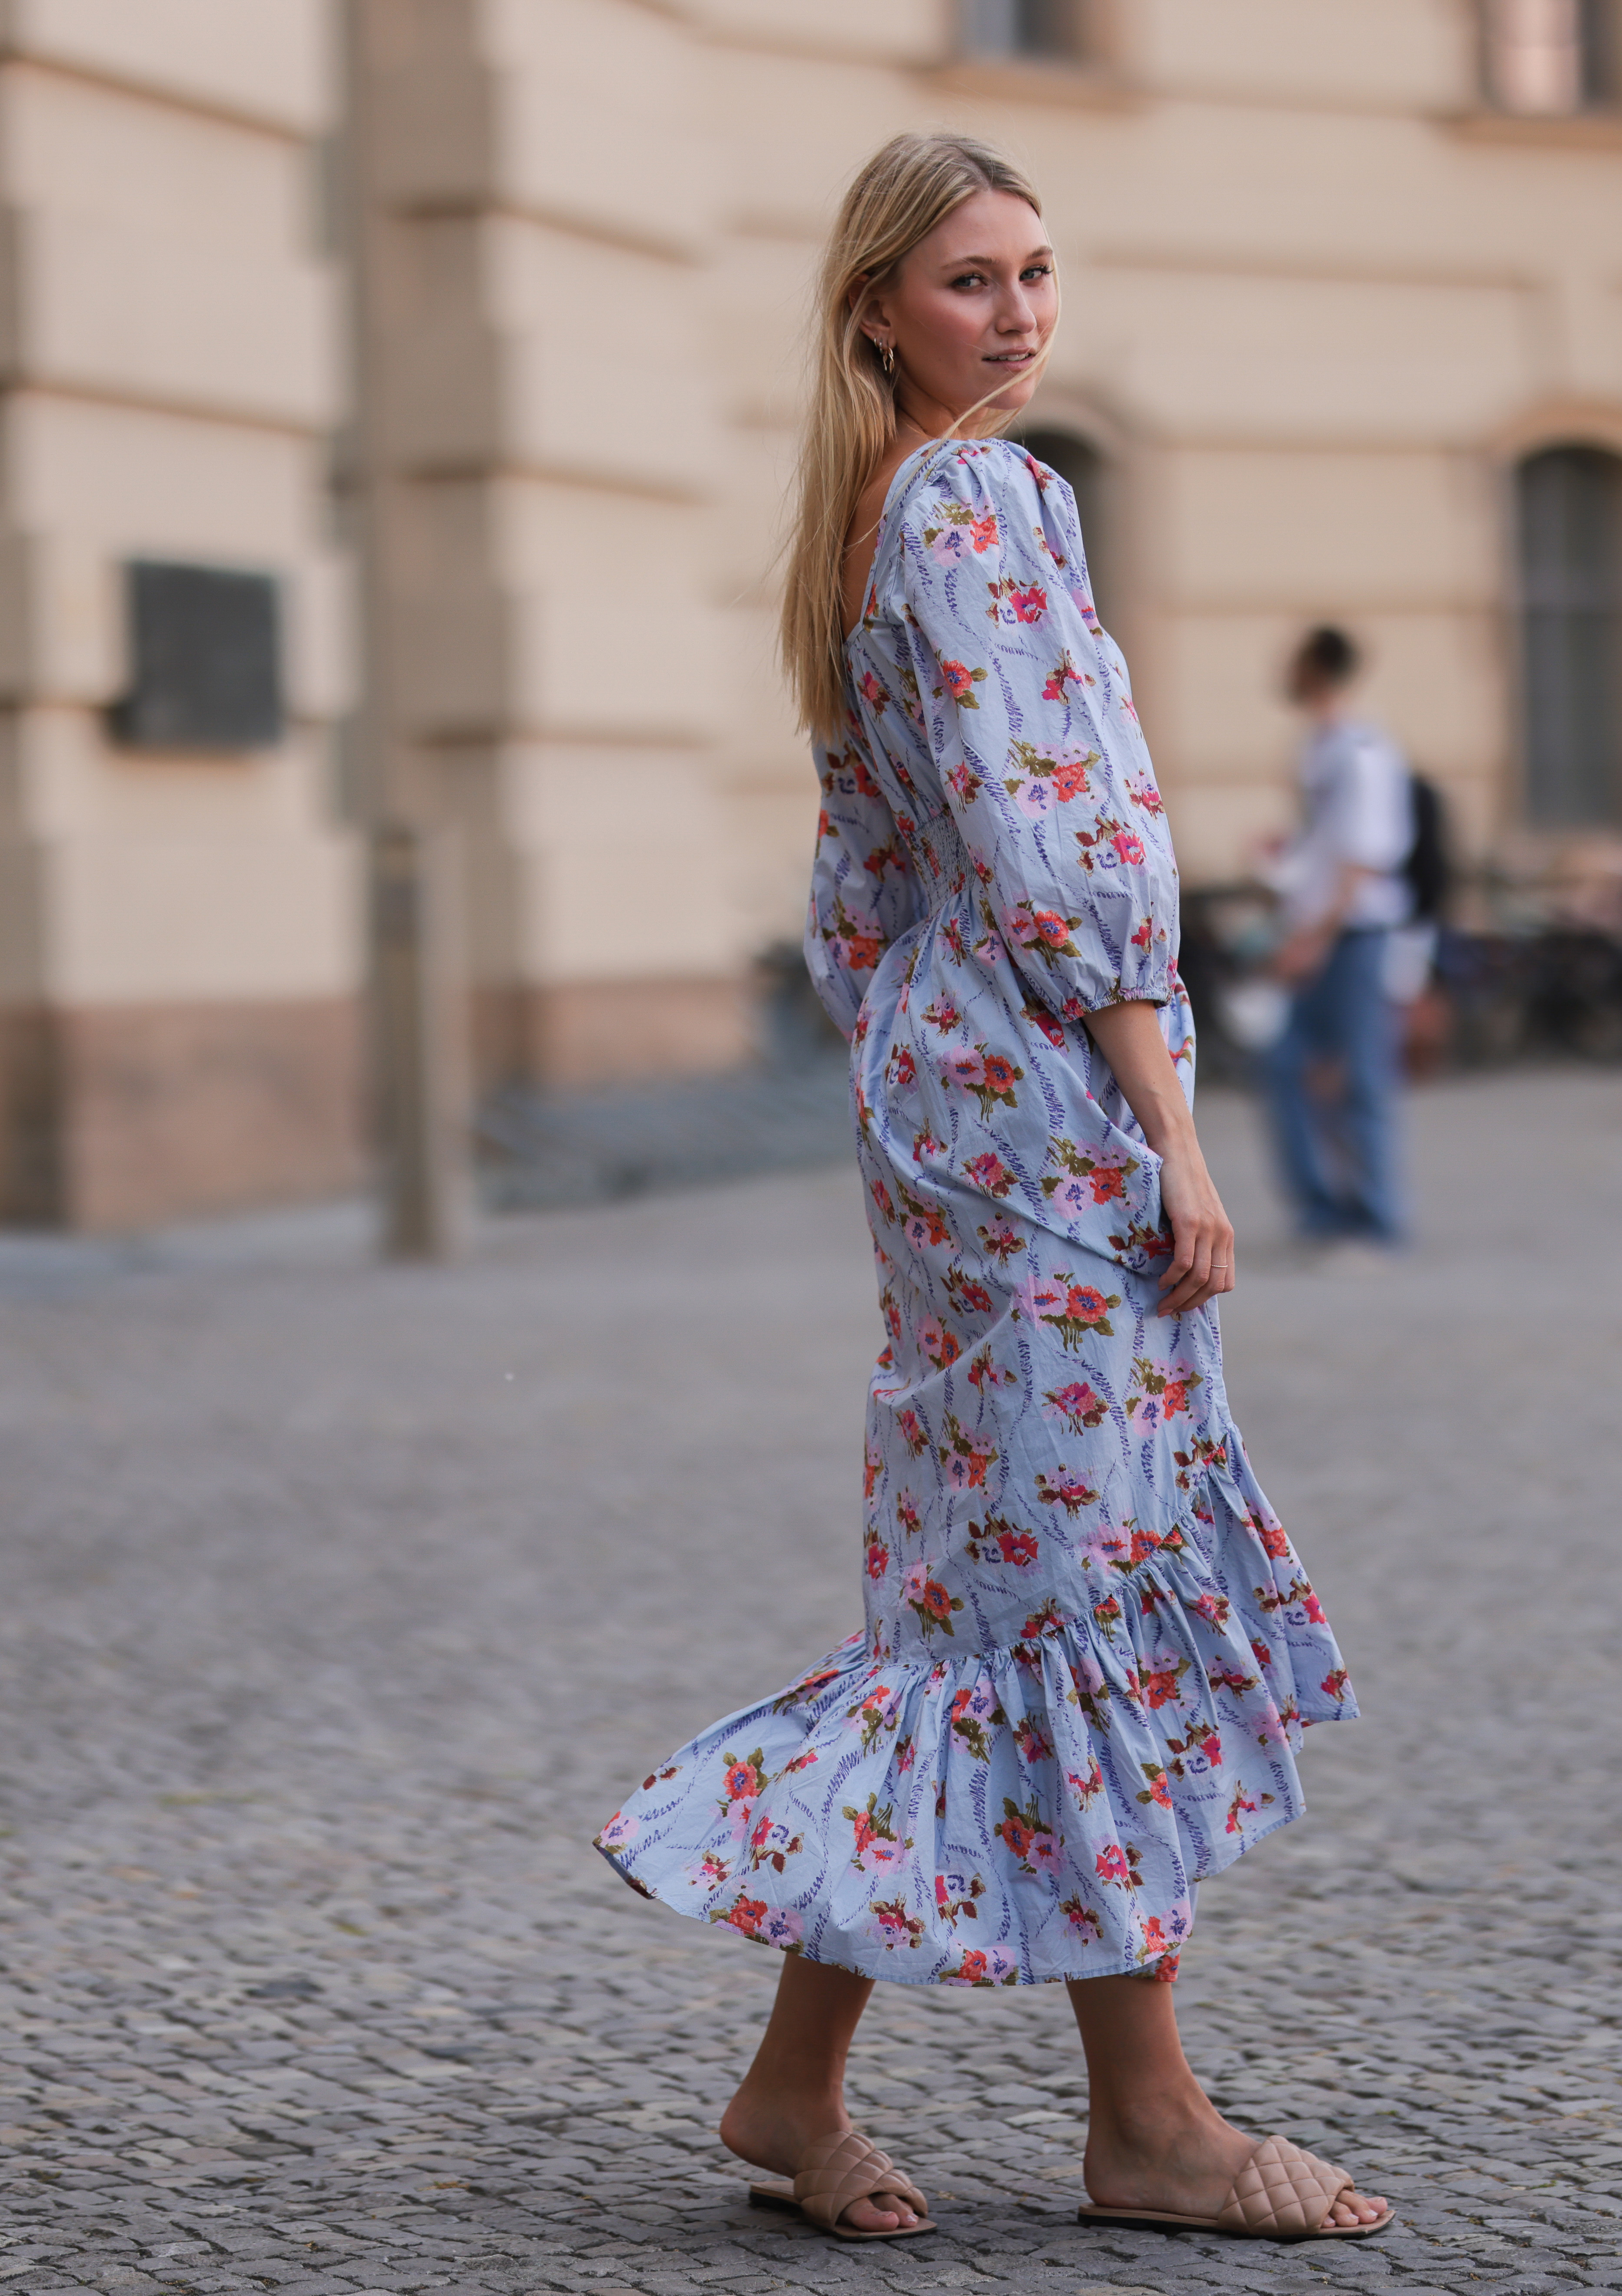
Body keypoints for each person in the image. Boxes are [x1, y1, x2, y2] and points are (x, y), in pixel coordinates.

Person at [591, 133, 1390, 2245]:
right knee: (1064, 1584)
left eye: (1038, 271)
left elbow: (864, 894)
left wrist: (935, 1075)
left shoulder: (864, 521)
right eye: (969, 280)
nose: (1019, 313)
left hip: (942, 1098)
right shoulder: (984, 498)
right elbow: (1073, 853)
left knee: (978, 1585)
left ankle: (790, 2082)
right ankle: (1151, 2122)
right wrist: (1172, 1123)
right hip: (1042, 1106)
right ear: (877, 311)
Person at [1263, 627, 1410, 1253]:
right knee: (1285, 1066)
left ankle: (1374, 1219)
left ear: (1317, 667)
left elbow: (1362, 860)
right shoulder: (1319, 749)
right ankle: (1323, 1208)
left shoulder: (1363, 752)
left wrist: (1312, 939)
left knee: (1359, 1076)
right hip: (1321, 932)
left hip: (1352, 937)